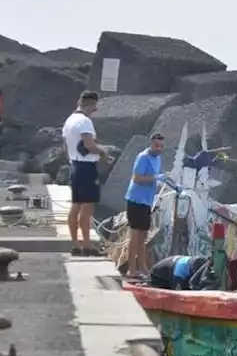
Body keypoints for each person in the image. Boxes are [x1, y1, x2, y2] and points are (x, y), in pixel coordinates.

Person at [62, 91, 111, 256]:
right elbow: (89, 145)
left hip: (74, 165)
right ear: (90, 104)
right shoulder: (85, 121)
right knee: (87, 207)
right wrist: (103, 152)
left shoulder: (69, 120)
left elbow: (67, 146)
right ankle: (87, 245)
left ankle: (76, 244)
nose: (94, 110)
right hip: (86, 167)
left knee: (76, 205)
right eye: (94, 107)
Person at [123, 133, 166, 279]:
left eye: (161, 146)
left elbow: (154, 178)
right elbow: (137, 178)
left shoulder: (158, 158)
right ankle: (132, 268)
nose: (159, 149)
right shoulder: (143, 157)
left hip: (147, 201)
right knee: (134, 236)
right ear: (151, 144)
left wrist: (161, 180)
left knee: (143, 236)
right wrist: (154, 178)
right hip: (136, 200)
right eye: (156, 146)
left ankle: (142, 267)